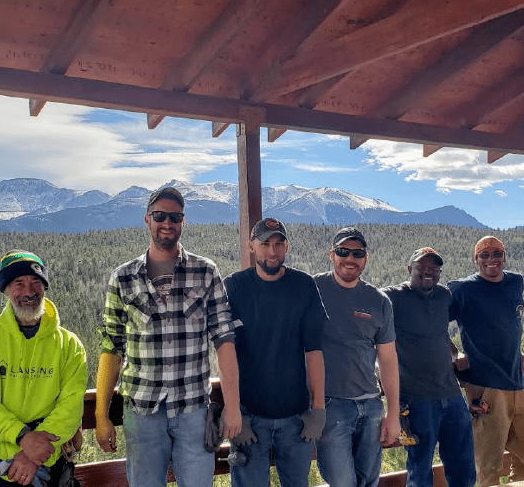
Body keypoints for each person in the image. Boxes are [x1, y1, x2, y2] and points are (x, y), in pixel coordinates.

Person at [95, 187, 242, 487]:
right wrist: (100, 415)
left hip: (193, 409)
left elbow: (224, 341)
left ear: (183, 222)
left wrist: (233, 406)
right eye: (160, 216)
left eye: (175, 217)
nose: (167, 223)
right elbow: (111, 349)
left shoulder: (205, 272)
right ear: (147, 219)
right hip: (142, 411)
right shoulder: (122, 278)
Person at [0, 250, 87, 486]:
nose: (29, 292)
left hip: (50, 464)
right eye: (19, 283)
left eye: (35, 282)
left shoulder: (70, 345)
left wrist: (32, 456)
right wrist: (24, 440)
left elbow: (71, 408)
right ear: (6, 289)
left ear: (45, 287)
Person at [224, 217, 327, 487]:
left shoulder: (304, 286)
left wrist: (318, 409)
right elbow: (224, 353)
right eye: (265, 243)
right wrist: (234, 412)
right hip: (249, 417)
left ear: (287, 246)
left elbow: (314, 350)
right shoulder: (234, 287)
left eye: (279, 243)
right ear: (251, 247)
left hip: (296, 418)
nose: (272, 251)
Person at [314, 227, 400, 487]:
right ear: (331, 254)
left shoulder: (379, 300)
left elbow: (387, 360)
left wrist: (393, 413)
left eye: (357, 253)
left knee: (368, 482)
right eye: (343, 251)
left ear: (366, 258)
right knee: (342, 482)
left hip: (371, 405)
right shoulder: (312, 289)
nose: (349, 258)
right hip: (330, 405)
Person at [382, 247, 475, 487]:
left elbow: (440, 331)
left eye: (433, 267)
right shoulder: (393, 296)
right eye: (422, 266)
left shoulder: (443, 295)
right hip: (416, 399)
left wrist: (455, 353)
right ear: (409, 269)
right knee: (420, 466)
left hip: (452, 394)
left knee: (463, 462)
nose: (428, 271)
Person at [448, 236, 524, 486]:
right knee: (489, 465)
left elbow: (508, 325)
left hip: (518, 384)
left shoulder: (515, 282)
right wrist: (454, 354)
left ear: (504, 256)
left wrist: (520, 355)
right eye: (484, 254)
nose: (491, 260)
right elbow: (435, 326)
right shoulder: (462, 289)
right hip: (486, 389)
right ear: (476, 259)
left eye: (497, 253)